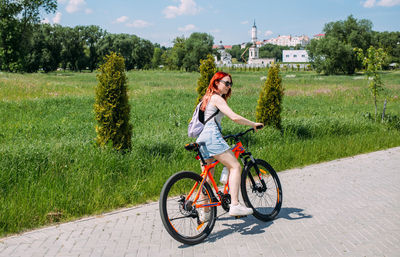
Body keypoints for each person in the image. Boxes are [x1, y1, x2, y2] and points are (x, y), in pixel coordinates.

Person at [196, 71, 264, 222]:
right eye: (226, 83)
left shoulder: (205, 99)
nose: (228, 86)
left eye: (230, 84)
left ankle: (205, 213)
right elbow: (234, 117)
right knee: (235, 167)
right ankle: (235, 204)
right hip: (212, 136)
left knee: (207, 177)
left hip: (201, 139)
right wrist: (253, 124)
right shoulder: (216, 98)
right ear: (216, 83)